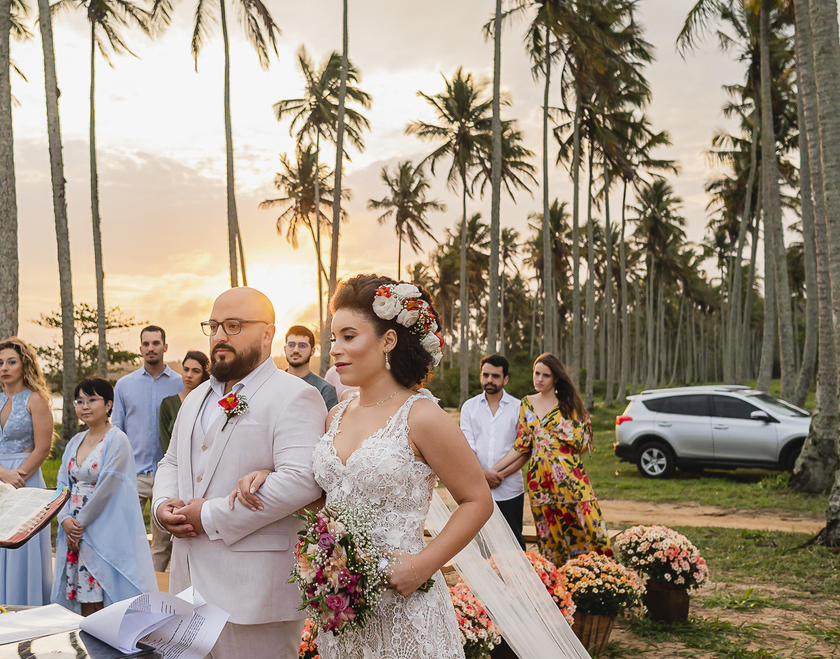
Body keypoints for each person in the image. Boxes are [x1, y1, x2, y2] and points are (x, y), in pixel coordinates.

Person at [232, 275, 493, 659]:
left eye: (349, 336)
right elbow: (327, 505)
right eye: (334, 338)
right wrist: (272, 479)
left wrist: (422, 565)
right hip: (343, 612)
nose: (335, 350)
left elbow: (477, 500)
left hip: (407, 608)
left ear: (388, 341)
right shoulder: (334, 416)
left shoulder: (422, 416)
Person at [153, 287, 327, 659]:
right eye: (213, 326)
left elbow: (301, 479)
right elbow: (170, 461)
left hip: (254, 598)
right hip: (187, 591)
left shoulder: (294, 395)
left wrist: (210, 515)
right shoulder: (195, 397)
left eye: (233, 326)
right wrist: (163, 505)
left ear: (267, 334)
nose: (219, 336)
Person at [492, 353, 611, 566]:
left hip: (570, 476)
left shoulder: (569, 404)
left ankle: (595, 573)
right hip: (540, 479)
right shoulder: (526, 404)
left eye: (545, 375)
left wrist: (561, 457)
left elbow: (583, 444)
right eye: (536, 373)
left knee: (583, 523)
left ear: (555, 378)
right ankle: (559, 580)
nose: (539, 379)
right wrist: (492, 471)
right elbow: (521, 445)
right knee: (549, 528)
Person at [53, 378, 157, 614]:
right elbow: (62, 483)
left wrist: (80, 524)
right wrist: (65, 519)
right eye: (79, 401)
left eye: (92, 400)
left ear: (109, 404)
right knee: (81, 596)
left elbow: (108, 486)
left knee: (103, 591)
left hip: (101, 526)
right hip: (74, 526)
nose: (85, 406)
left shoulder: (117, 439)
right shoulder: (75, 441)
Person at [0, 337, 55, 606]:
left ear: (24, 365)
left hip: (26, 479)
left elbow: (43, 448)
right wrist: (1, 474)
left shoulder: (36, 400)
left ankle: (25, 606)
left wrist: (17, 475)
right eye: (0, 363)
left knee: (22, 544)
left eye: (11, 362)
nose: (5, 367)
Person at [112, 325, 183, 571]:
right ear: (140, 348)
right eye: (146, 344)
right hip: (134, 473)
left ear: (165, 346)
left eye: (155, 343)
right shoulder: (124, 385)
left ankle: (155, 597)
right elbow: (116, 431)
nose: (150, 348)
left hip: (168, 474)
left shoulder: (181, 384)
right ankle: (128, 590)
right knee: (125, 537)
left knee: (163, 544)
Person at [459, 355, 525, 549]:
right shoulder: (469, 407)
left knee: (514, 545)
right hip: (478, 491)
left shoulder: (519, 407)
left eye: (495, 376)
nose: (489, 380)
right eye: (486, 375)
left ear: (505, 379)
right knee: (482, 547)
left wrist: (500, 474)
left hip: (510, 488)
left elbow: (523, 450)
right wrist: (483, 475)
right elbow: (466, 448)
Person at [158, 350, 209, 454]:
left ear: (204, 375)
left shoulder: (209, 403)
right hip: (174, 464)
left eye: (196, 371)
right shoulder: (168, 404)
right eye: (186, 369)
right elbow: (165, 443)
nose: (189, 375)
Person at [283, 326, 338, 410]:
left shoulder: (325, 390)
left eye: (302, 345)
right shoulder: (272, 385)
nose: (296, 350)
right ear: (285, 349)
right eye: (291, 345)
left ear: (313, 351)